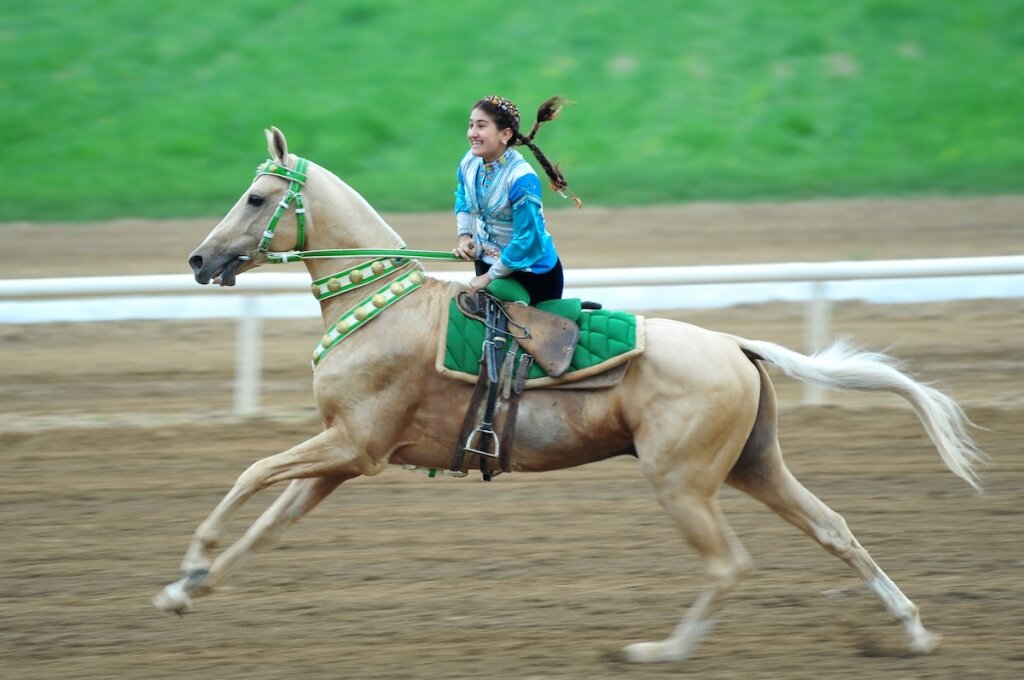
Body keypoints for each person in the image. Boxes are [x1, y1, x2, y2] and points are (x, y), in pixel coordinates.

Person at [452, 95, 581, 304]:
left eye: (481, 126)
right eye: (471, 125)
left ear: (505, 134)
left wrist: (489, 277)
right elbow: (463, 195)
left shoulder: (522, 179)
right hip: (487, 264)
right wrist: (465, 237)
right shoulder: (470, 161)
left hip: (533, 274)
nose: (472, 133)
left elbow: (526, 239)